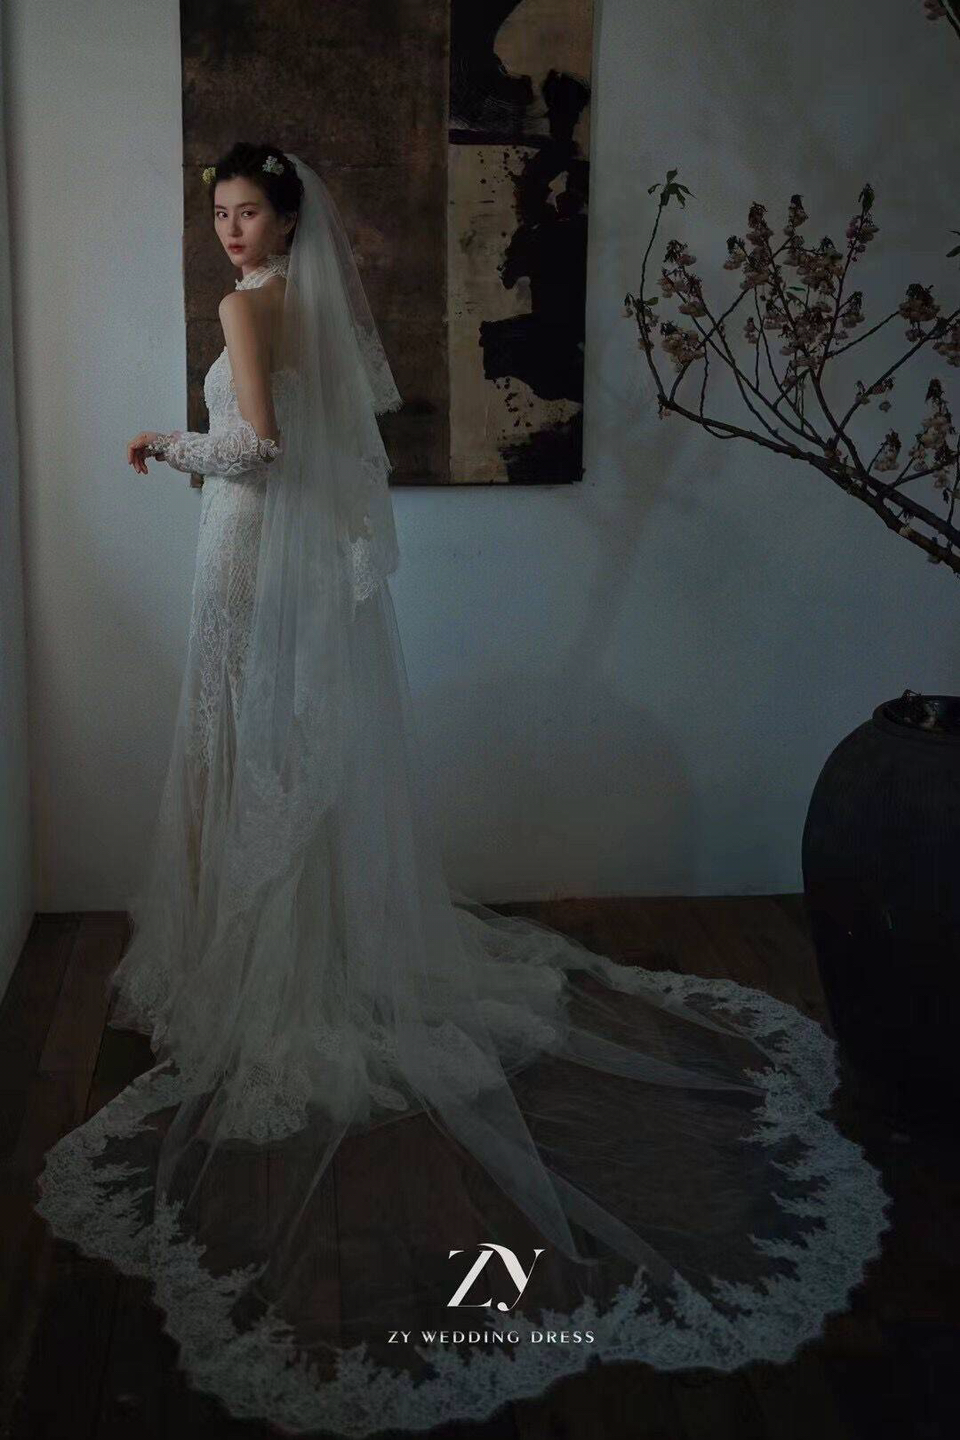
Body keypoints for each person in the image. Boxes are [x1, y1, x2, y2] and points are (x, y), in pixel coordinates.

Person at [34, 142, 892, 1437]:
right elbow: (324, 445)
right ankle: (293, 950)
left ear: (288, 217)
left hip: (244, 556)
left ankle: (259, 968)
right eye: (218, 213)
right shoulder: (309, 305)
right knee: (275, 753)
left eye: (248, 211)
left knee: (238, 752)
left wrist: (170, 441)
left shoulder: (246, 310)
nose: (229, 230)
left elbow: (260, 449)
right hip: (285, 566)